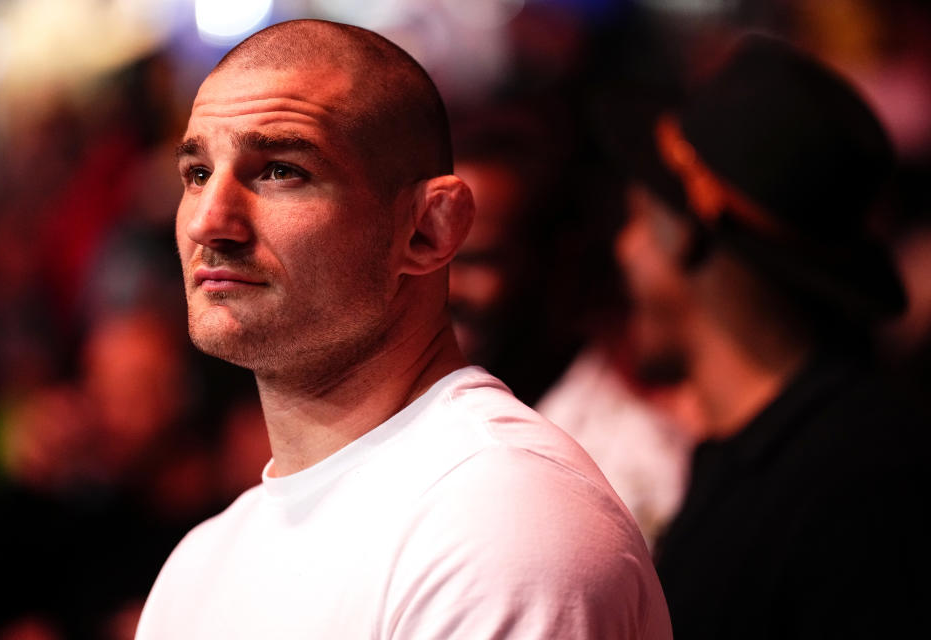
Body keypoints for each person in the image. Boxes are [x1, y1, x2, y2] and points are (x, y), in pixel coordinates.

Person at [135, 19, 671, 639]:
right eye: (197, 173)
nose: (209, 221)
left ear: (429, 229)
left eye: (281, 170)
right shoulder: (199, 562)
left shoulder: (501, 520)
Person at [614, 34, 929, 638]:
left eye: (634, 221)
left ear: (683, 237)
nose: (621, 250)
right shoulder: (763, 453)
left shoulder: (861, 489)